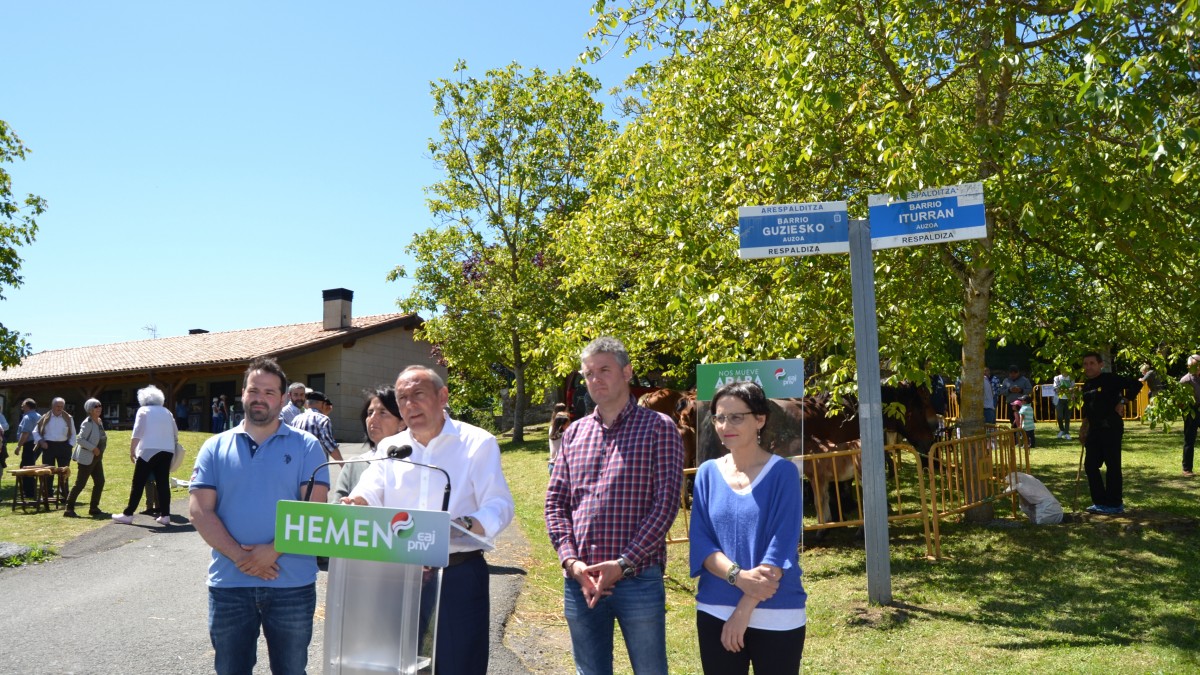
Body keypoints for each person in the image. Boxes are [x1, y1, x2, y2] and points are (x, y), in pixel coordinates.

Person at [344, 365, 514, 675]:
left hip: (456, 574)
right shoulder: (390, 447)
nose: (409, 405)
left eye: (418, 395)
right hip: (395, 575)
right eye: (402, 398)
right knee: (393, 663)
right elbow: (370, 488)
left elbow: (499, 503)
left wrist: (466, 524)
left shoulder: (477, 442)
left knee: (458, 663)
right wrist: (357, 502)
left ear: (442, 396)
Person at [545, 336, 685, 675]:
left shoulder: (658, 428)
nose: (595, 379)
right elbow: (555, 504)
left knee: (650, 670)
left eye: (604, 370)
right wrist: (572, 563)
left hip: (638, 579)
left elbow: (665, 506)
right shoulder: (574, 433)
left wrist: (623, 563)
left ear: (627, 372)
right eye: (588, 373)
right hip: (581, 582)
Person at [189, 357, 329, 675]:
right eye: (254, 390)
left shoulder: (308, 446)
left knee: (291, 670)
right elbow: (199, 510)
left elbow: (313, 508)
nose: (260, 398)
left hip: (292, 583)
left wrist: (273, 550)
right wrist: (242, 557)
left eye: (269, 392)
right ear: (243, 394)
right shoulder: (214, 447)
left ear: (282, 399)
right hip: (229, 584)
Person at [690, 381, 806, 674]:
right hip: (714, 609)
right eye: (719, 417)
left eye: (736, 417)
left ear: (760, 419)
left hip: (778, 613)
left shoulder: (784, 473)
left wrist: (743, 610)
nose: (726, 425)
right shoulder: (706, 473)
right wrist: (738, 576)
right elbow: (702, 544)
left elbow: (780, 548)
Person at [1079, 351, 1142, 515]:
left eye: (1092, 363)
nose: (1088, 367)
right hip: (1094, 429)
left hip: (1111, 428)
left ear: (1101, 364)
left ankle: (1114, 504)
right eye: (1085, 364)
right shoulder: (1086, 385)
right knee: (1090, 465)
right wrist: (1083, 428)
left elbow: (1136, 384)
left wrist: (1123, 401)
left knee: (1112, 466)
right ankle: (1099, 502)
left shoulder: (1110, 379)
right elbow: (1088, 409)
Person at [112, 385, 179, 526]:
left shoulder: (143, 410)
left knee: (138, 483)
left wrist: (132, 450)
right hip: (167, 450)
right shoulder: (167, 411)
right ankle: (165, 515)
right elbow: (175, 432)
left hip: (148, 451)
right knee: (163, 483)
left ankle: (128, 514)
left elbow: (137, 432)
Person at [329, 385, 406, 502]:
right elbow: (336, 513)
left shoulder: (416, 464)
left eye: (383, 413)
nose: (373, 419)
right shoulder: (354, 465)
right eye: (370, 413)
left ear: (402, 423)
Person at [65, 398, 107, 518]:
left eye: (100, 406)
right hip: (87, 457)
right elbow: (80, 439)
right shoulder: (87, 422)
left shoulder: (98, 421)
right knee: (80, 484)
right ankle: (69, 509)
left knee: (100, 482)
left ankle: (94, 508)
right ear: (90, 409)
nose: (99, 408)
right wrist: (93, 448)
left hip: (97, 458)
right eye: (96, 406)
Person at [34, 397, 76, 501]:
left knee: (64, 472)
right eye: (57, 406)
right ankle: (48, 494)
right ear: (52, 406)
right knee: (48, 472)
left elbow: (74, 434)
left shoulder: (68, 418)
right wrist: (41, 442)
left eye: (61, 406)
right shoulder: (45, 417)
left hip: (64, 446)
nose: (60, 408)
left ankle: (65, 494)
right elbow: (35, 432)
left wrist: (70, 445)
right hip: (48, 447)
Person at [289, 390, 343, 461]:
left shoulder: (296, 419)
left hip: (297, 464)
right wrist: (343, 464)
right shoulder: (323, 419)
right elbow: (329, 444)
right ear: (323, 404)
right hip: (316, 466)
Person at [15, 398, 41, 498]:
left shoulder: (28, 417)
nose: (22, 407)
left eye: (23, 405)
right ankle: (30, 490)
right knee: (30, 466)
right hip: (37, 445)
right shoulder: (39, 416)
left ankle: (29, 492)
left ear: (28, 406)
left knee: (26, 468)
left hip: (29, 444)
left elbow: (25, 433)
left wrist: (18, 446)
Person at [1180, 354, 1200, 477]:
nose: (1198, 367)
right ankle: (1187, 469)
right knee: (1189, 440)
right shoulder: (1185, 380)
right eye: (1196, 365)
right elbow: (1180, 402)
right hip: (1191, 411)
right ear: (1189, 366)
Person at [547, 401, 570, 472]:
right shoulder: (566, 434)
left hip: (552, 464)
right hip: (561, 466)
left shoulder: (552, 429)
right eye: (568, 423)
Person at [1053, 368, 1075, 439]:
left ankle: (1067, 432)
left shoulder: (1071, 378)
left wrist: (1071, 390)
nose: (1064, 371)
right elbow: (1056, 388)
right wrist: (1066, 389)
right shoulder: (1057, 378)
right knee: (1059, 416)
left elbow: (1072, 388)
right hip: (1059, 399)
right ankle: (1062, 430)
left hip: (1068, 399)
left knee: (1067, 417)